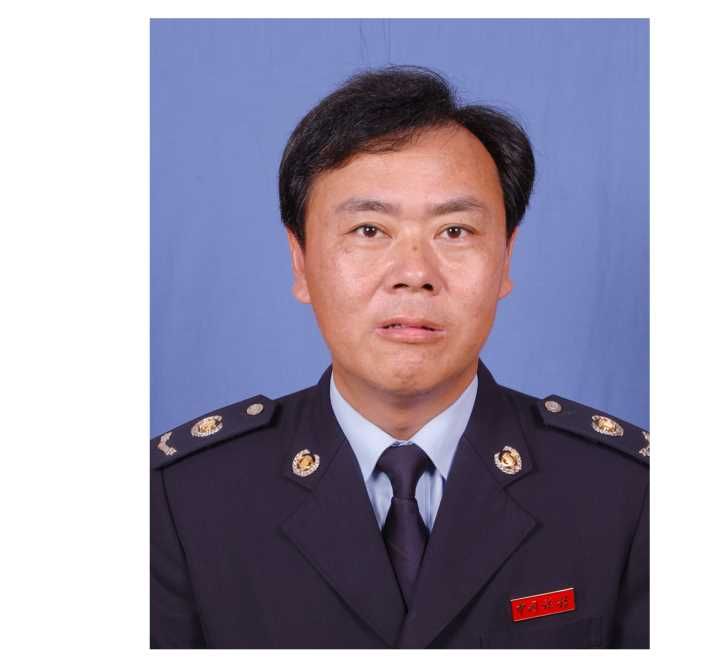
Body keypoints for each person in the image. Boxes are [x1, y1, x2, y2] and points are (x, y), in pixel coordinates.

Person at [150, 66, 649, 649]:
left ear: (505, 259)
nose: (414, 274)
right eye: (369, 230)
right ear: (300, 261)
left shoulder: (623, 493)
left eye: (455, 232)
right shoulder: (182, 500)